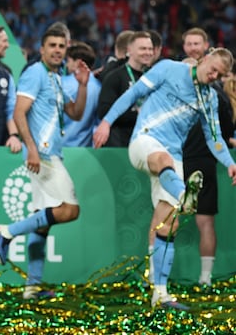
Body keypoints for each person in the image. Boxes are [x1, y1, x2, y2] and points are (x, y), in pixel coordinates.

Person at [93, 48, 236, 310]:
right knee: (164, 161)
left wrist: (230, 163)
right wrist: (106, 122)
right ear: (204, 59)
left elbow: (214, 138)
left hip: (174, 156)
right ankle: (184, 194)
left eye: (219, 75)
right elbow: (133, 94)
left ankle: (160, 293)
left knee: (167, 224)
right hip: (145, 141)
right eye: (212, 68)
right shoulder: (169, 68)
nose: (213, 75)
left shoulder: (209, 99)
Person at [0, 27, 90, 300]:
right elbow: (19, 112)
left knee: (43, 223)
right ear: (42, 49)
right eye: (52, 45)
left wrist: (82, 85)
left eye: (62, 46)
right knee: (71, 210)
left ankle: (32, 287)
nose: (58, 50)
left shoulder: (57, 77)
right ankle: (7, 232)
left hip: (50, 154)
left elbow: (76, 113)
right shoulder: (35, 73)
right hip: (43, 156)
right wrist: (32, 149)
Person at [179, 28, 233, 286]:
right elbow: (225, 133)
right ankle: (205, 279)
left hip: (178, 161)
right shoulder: (218, 96)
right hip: (201, 162)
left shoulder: (173, 93)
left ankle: (158, 279)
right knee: (205, 222)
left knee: (166, 219)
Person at [96, 31, 154, 147]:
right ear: (129, 50)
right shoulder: (114, 77)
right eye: (143, 49)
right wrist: (136, 114)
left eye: (150, 49)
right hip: (120, 143)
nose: (147, 53)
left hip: (146, 142)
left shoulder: (154, 77)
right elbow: (104, 111)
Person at [61, 42, 101, 147]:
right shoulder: (99, 87)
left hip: (60, 146)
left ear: (78, 63)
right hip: (85, 148)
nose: (66, 65)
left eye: (68, 61)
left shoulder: (61, 84)